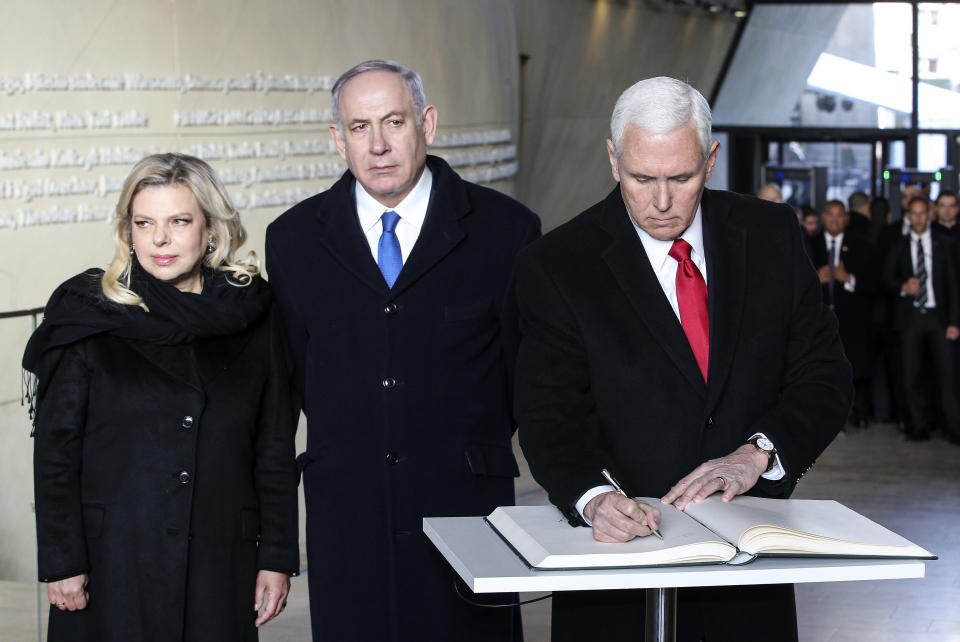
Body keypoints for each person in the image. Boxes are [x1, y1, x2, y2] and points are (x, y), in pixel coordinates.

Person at [514, 77, 852, 642]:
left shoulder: (770, 236)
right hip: (615, 564)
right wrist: (593, 498)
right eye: (642, 178)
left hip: (749, 558)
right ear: (613, 158)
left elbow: (824, 375)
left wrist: (759, 452)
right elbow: (549, 413)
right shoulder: (556, 264)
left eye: (682, 177)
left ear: (712, 159)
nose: (662, 201)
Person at [265, 60, 540, 642]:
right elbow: (286, 390)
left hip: (466, 507)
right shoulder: (292, 240)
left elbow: (529, 383)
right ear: (338, 139)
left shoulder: (506, 231)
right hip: (348, 515)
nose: (380, 145)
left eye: (394, 121)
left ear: (428, 124)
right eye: (360, 128)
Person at [24, 153, 299, 642]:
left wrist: (276, 555)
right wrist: (62, 560)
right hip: (110, 563)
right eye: (144, 223)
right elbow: (55, 452)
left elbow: (273, 446)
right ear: (128, 231)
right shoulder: (89, 312)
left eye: (179, 221)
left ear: (210, 229)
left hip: (219, 561)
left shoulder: (254, 313)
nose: (160, 239)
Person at [883, 196, 960, 444]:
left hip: (939, 319)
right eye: (913, 213)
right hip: (910, 319)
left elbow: (954, 286)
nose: (918, 218)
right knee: (911, 376)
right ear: (908, 216)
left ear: (930, 214)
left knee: (948, 376)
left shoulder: (944, 244)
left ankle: (953, 427)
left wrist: (954, 322)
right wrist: (903, 287)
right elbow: (887, 279)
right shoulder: (898, 245)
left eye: (922, 213)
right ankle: (917, 426)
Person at [812, 200, 879, 427]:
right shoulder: (809, 244)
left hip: (853, 318)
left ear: (846, 219)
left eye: (839, 215)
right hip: (819, 319)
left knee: (855, 367)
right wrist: (816, 280)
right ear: (823, 217)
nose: (834, 219)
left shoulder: (861, 245)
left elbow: (874, 283)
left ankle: (858, 414)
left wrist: (848, 279)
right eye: (830, 214)